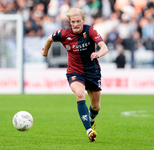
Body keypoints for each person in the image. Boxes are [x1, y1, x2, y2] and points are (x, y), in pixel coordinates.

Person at [41, 8, 109, 142]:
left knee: (96, 107)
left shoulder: (90, 31)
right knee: (79, 94)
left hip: (92, 72)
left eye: (78, 21)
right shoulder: (63, 34)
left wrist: (98, 54)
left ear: (83, 20)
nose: (76, 24)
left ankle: (91, 118)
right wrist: (45, 52)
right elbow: (49, 39)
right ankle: (89, 130)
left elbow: (104, 47)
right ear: (70, 22)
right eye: (73, 22)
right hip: (75, 72)